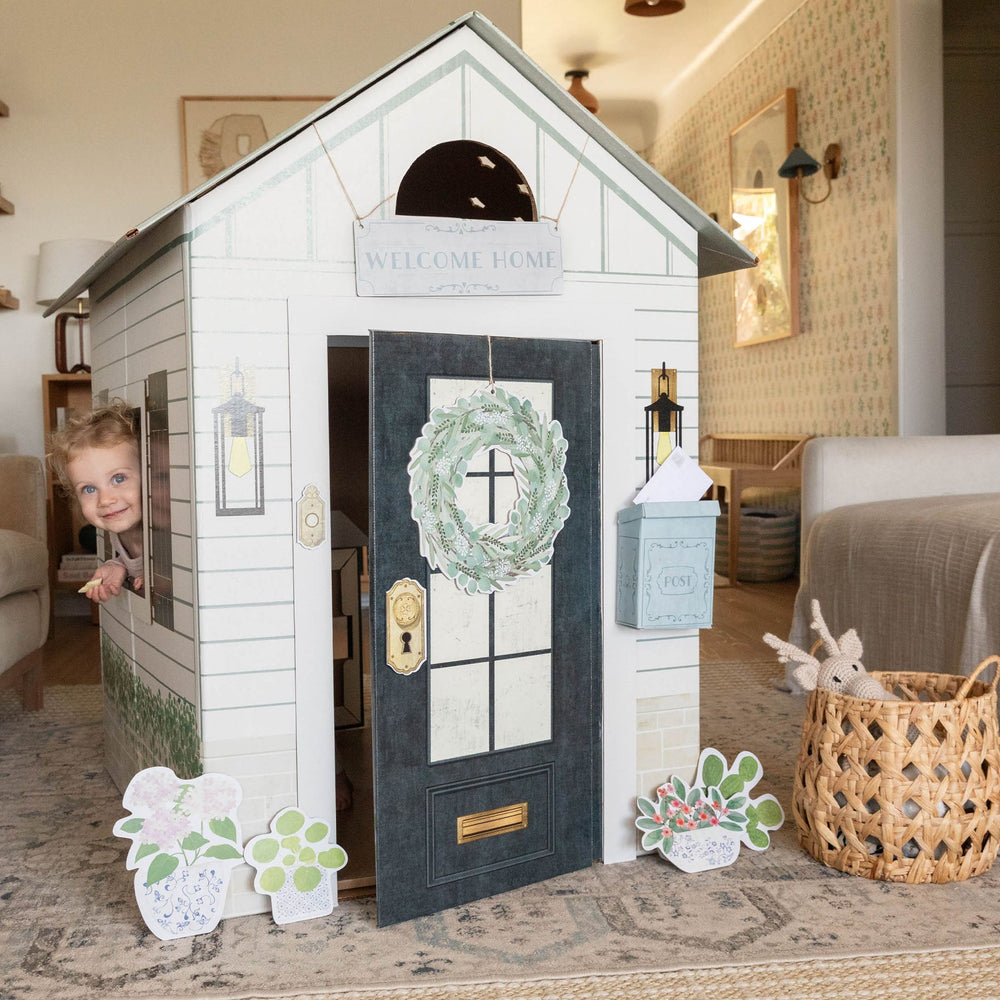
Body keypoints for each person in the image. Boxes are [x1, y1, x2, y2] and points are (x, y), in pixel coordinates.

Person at [49, 400, 145, 602]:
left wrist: (160, 578)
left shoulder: (163, 526)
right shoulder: (119, 529)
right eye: (89, 489)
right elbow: (136, 559)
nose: (105, 500)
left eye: (119, 479)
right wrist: (117, 565)